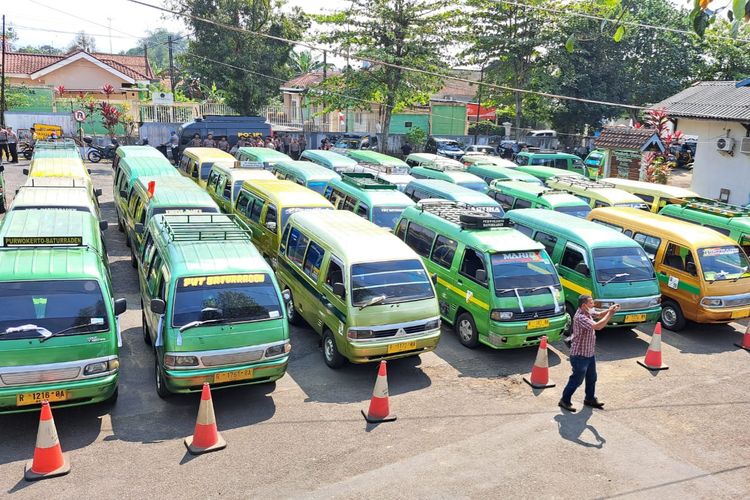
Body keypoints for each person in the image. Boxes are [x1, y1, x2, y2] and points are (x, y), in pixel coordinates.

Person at [558, 295, 619, 413]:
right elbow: (598, 326)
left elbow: (599, 314)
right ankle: (564, 400)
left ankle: (589, 399)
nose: (593, 305)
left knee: (592, 378)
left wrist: (610, 309)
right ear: (584, 305)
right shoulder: (580, 317)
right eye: (591, 303)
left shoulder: (588, 312)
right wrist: (610, 314)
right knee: (577, 380)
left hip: (589, 354)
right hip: (580, 356)